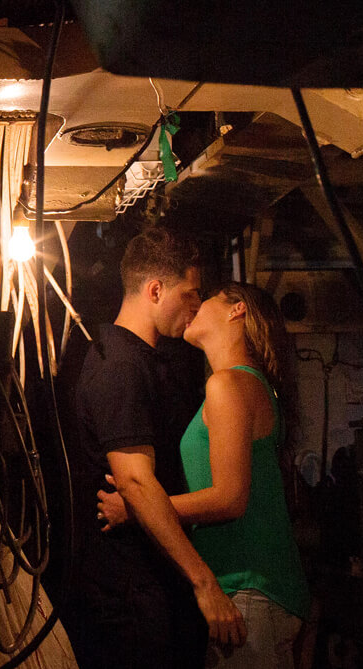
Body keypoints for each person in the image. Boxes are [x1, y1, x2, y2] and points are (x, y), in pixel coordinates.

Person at [98, 282, 310, 668]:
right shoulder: (247, 384)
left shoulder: (228, 383)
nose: (195, 305)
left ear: (236, 310)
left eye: (206, 296)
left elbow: (229, 498)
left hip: (248, 590)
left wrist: (137, 508)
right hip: (263, 592)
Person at [61, 227, 245, 669]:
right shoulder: (119, 365)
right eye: (191, 293)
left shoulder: (143, 360)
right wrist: (204, 583)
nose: (196, 304)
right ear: (156, 290)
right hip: (129, 599)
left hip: (148, 593)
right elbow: (136, 480)